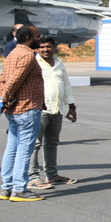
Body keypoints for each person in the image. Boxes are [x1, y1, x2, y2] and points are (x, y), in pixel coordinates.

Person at [0, 25, 46, 202]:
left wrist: (5, 97)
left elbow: (1, 80)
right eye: (37, 36)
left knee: (12, 148)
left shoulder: (12, 54)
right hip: (27, 109)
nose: (40, 40)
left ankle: (7, 188)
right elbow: (14, 81)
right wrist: (6, 97)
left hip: (14, 110)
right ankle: (19, 189)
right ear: (28, 38)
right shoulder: (26, 55)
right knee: (24, 150)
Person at [28, 36, 77, 190]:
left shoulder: (59, 63)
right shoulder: (33, 63)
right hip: (39, 109)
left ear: (54, 47)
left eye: (48, 46)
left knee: (52, 144)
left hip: (56, 109)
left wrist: (72, 106)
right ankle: (33, 177)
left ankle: (52, 175)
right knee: (34, 144)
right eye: (41, 47)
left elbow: (66, 85)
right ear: (37, 48)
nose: (45, 49)